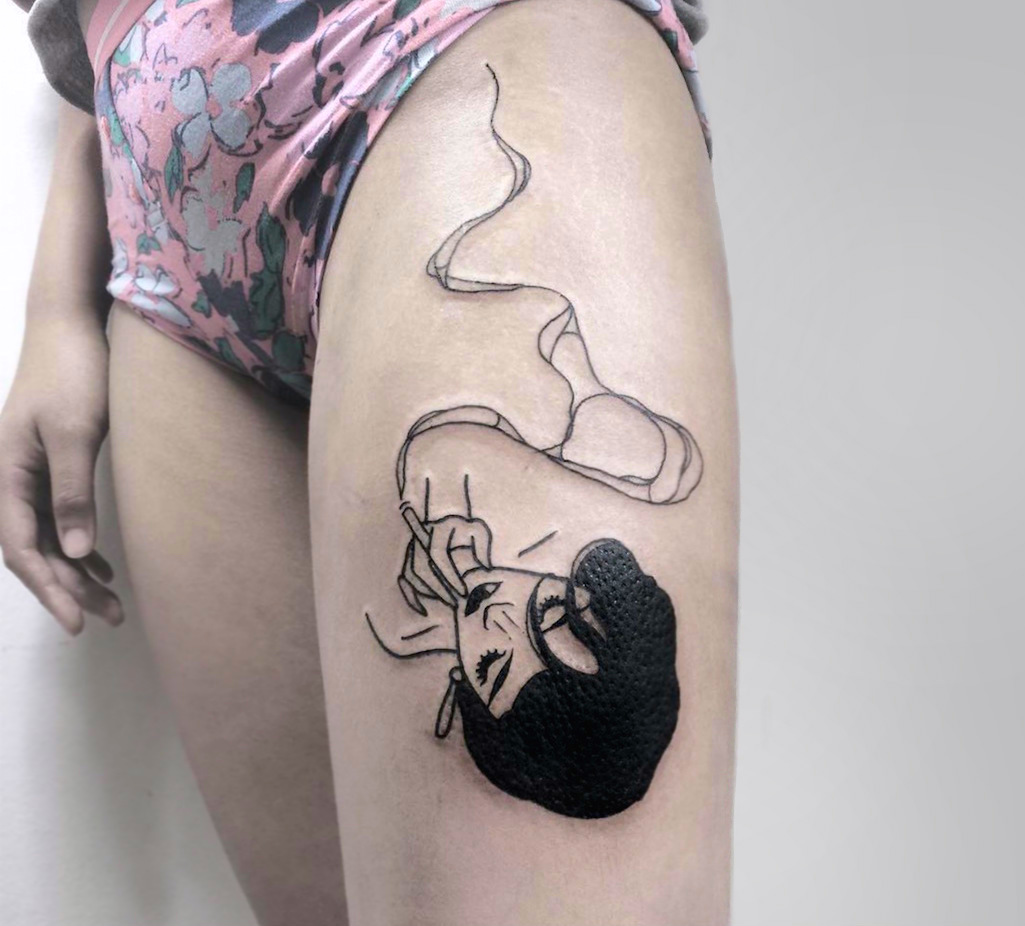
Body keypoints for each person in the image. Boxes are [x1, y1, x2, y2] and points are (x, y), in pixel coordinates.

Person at [0, 0, 737, 921]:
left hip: (443, 39)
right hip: (162, 204)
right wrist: (57, 298)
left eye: (494, 667)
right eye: (542, 618)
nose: (493, 620)